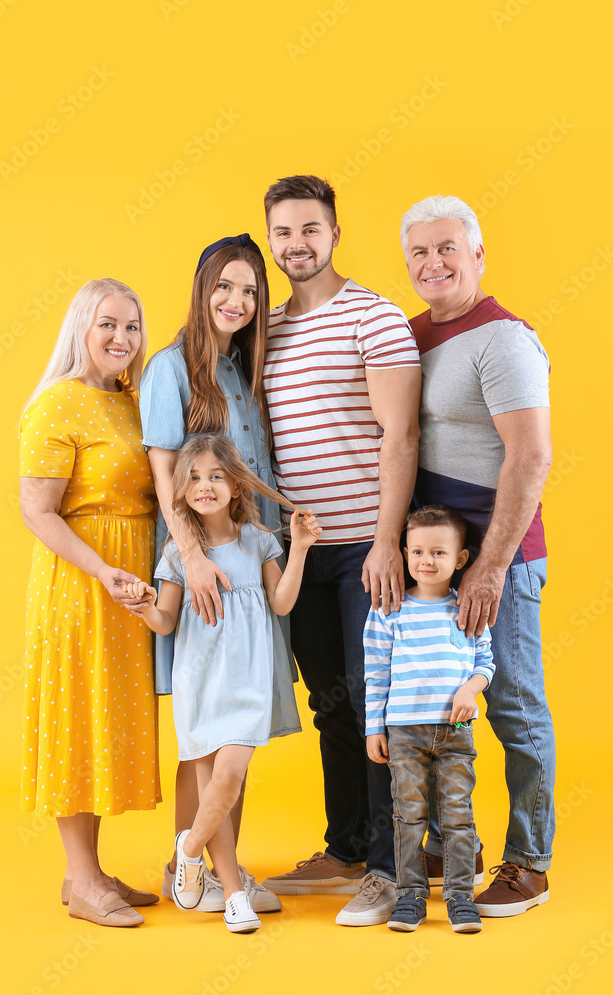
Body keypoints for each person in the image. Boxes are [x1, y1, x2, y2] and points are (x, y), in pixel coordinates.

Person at [260, 175, 422, 927]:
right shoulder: (263, 328)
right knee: (329, 706)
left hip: (365, 546)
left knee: (376, 706)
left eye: (309, 230)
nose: (296, 245)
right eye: (283, 233)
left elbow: (401, 436)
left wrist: (387, 541)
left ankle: (393, 870)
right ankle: (348, 846)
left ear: (333, 233)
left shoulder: (375, 318)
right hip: (301, 551)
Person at [400, 194, 554, 917]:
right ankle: (442, 843)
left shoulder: (504, 340)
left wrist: (489, 568)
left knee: (513, 706)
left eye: (446, 248)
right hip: (434, 558)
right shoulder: (412, 334)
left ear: (477, 255)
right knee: (434, 700)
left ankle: (529, 861)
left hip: (499, 557)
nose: (432, 263)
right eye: (419, 252)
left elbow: (529, 458)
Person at [139, 234, 293, 914]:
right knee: (203, 730)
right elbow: (165, 473)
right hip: (199, 568)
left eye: (250, 291)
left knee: (236, 723)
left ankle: (214, 868)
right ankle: (196, 875)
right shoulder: (170, 370)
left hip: (248, 563)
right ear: (202, 291)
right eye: (224, 286)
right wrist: (193, 559)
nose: (236, 301)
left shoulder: (242, 369)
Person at [127, 435, 320, 932]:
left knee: (230, 778)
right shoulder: (177, 554)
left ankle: (188, 852)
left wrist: (298, 549)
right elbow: (166, 622)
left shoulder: (257, 540)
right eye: (192, 476)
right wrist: (145, 605)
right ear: (181, 489)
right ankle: (234, 894)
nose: (204, 485)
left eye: (215, 475)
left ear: (236, 485)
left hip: (248, 683)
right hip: (200, 683)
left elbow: (281, 604)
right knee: (216, 783)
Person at [19, 278, 161, 928]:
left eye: (131, 327)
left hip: (129, 584)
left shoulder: (134, 401)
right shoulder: (57, 404)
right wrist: (102, 570)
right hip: (81, 584)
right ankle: (80, 881)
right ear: (81, 327)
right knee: (78, 722)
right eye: (107, 324)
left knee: (106, 722)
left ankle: (94, 872)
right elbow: (38, 511)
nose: (120, 339)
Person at [366, 506, 495, 934]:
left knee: (458, 815)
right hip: (404, 730)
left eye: (438, 552)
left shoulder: (468, 608)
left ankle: (460, 898)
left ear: (460, 559)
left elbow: (485, 663)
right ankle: (410, 896)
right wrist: (374, 728)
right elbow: (376, 673)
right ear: (404, 553)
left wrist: (469, 689)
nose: (426, 561)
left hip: (455, 730)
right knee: (408, 815)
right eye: (418, 551)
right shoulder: (389, 609)